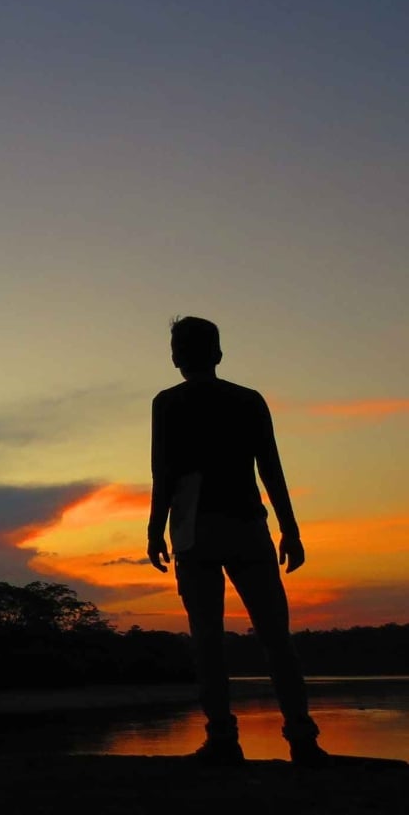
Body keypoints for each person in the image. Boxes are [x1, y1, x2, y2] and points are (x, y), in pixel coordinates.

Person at [147, 316, 329, 766]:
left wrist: (154, 529)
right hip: (247, 526)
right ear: (219, 354)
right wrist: (290, 527)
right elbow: (271, 468)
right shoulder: (247, 400)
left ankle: (223, 738)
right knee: (275, 637)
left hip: (194, 528)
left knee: (207, 639)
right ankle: (301, 737)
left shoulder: (167, 403)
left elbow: (162, 473)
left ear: (176, 357)